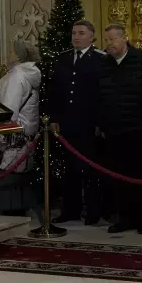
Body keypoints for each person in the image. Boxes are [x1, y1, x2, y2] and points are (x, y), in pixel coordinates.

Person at [97, 23, 142, 235]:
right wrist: (102, 124)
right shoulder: (105, 64)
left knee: (141, 175)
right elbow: (100, 97)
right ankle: (124, 218)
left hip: (138, 128)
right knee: (118, 177)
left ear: (124, 38)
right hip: (114, 130)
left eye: (112, 39)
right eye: (106, 40)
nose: (109, 44)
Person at [51, 20, 107, 225]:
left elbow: (104, 94)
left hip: (90, 124)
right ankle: (70, 210)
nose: (76, 36)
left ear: (91, 37)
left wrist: (101, 122)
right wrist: (55, 118)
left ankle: (93, 211)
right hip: (67, 124)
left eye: (81, 33)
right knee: (70, 170)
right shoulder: (63, 58)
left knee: (91, 170)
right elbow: (55, 91)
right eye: (74, 33)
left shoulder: (100, 59)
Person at [0, 39, 41, 216]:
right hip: (22, 136)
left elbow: (9, 110)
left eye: (11, 51)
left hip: (12, 138)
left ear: (19, 55)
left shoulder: (17, 76)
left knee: (7, 184)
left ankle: (10, 214)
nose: (8, 54)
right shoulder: (23, 74)